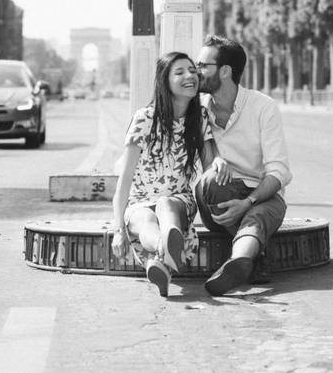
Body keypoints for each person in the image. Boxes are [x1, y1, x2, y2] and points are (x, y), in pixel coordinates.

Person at [110, 51, 227, 298]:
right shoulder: (144, 118)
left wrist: (218, 162)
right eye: (180, 72)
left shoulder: (200, 117)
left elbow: (208, 164)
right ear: (165, 80)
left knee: (166, 204)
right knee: (143, 219)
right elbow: (126, 178)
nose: (190, 76)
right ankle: (164, 252)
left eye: (193, 71)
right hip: (140, 200)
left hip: (178, 199)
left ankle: (163, 251)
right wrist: (118, 229)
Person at [194, 35, 292, 296]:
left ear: (225, 71)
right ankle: (255, 256)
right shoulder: (198, 109)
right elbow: (206, 164)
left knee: (258, 213)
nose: (197, 70)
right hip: (219, 197)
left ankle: (240, 259)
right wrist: (216, 160)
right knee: (210, 182)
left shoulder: (263, 107)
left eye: (203, 65)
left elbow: (278, 172)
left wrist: (247, 202)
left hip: (262, 196)